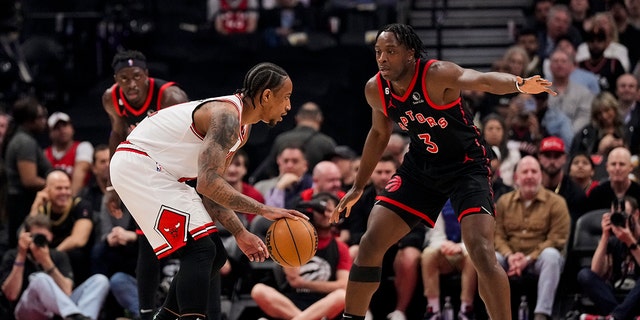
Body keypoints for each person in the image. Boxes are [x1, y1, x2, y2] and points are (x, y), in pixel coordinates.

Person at [329, 23, 556, 320]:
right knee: (371, 242)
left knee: (481, 252)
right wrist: (358, 186)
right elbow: (378, 134)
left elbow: (482, 80)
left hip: (466, 166)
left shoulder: (436, 74)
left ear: (410, 54)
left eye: (391, 52)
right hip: (421, 167)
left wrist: (518, 83)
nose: (382, 59)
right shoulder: (376, 89)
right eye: (378, 52)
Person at [109, 62, 308, 320]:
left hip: (161, 173)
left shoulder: (242, 129)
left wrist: (240, 232)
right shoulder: (226, 117)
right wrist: (264, 209)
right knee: (201, 250)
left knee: (215, 255)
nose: (289, 107)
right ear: (267, 95)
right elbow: (207, 184)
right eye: (286, 98)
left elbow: (212, 190)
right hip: (139, 166)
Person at [101, 49, 189, 320]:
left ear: (146, 76)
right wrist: (113, 185)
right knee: (146, 244)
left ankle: (198, 311)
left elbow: (189, 142)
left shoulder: (170, 97)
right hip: (146, 174)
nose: (130, 84)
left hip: (181, 171)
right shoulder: (111, 98)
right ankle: (146, 312)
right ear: (116, 79)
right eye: (124, 78)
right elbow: (117, 134)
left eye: (136, 76)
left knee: (193, 246)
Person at [251, 192, 351, 320]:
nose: (326, 215)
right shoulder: (294, 236)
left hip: (323, 304)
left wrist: (303, 283)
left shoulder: (340, 247)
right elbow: (293, 280)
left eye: (331, 211)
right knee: (259, 290)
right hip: (291, 302)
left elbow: (343, 285)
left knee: (342, 295)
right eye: (321, 210)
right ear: (312, 211)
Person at [494, 156, 571, 320]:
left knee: (551, 256)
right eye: (525, 172)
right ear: (516, 178)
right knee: (492, 258)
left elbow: (557, 239)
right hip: (511, 258)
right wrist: (510, 256)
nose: (529, 176)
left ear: (541, 176)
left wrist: (528, 259)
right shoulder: (503, 202)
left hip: (538, 260)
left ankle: (541, 314)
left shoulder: (557, 203)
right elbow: (497, 236)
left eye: (534, 171)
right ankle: (495, 314)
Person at [0, 214, 109, 320]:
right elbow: (11, 295)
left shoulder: (59, 255)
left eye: (43, 237)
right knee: (39, 278)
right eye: (35, 237)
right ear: (27, 236)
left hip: (58, 313)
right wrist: (21, 255)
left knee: (100, 280)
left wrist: (46, 261)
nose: (39, 241)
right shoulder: (14, 255)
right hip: (27, 311)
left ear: (51, 237)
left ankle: (78, 316)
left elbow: (67, 291)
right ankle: (74, 315)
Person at [577, 195, 640, 319]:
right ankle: (619, 316)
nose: (620, 219)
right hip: (613, 296)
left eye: (624, 215)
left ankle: (615, 317)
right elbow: (595, 272)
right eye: (615, 215)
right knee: (584, 275)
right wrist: (605, 237)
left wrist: (630, 242)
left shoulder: (631, 239)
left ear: (636, 214)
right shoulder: (613, 240)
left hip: (637, 297)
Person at [28, 170, 94, 284]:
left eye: (67, 188)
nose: (64, 192)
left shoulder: (80, 205)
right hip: (45, 256)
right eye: (59, 188)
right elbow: (26, 236)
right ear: (47, 190)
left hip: (71, 259)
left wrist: (52, 256)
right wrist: (35, 206)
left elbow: (79, 240)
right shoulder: (42, 207)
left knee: (76, 255)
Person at [4, 96, 52, 248]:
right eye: (40, 117)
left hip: (19, 200)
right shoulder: (25, 142)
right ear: (29, 120)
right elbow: (29, 180)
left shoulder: (22, 138)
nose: (44, 121)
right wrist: (54, 184)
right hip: (22, 203)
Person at [250, 101, 337, 183]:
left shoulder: (281, 139)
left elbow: (271, 171)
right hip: (315, 195)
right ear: (320, 119)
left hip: (284, 192)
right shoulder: (327, 143)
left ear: (297, 118)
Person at [421, 200, 478, 320]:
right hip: (445, 250)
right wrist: (445, 245)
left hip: (466, 251)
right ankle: (433, 310)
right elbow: (435, 236)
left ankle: (466, 310)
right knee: (428, 254)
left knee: (474, 257)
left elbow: (477, 237)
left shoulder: (473, 196)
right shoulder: (436, 197)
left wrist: (461, 247)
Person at [44, 112, 94, 196]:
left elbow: (81, 173)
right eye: (57, 128)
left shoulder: (83, 147)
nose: (62, 130)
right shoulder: (45, 154)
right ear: (50, 133)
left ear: (72, 128)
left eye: (65, 125)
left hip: (79, 197)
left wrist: (69, 202)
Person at [586, 146, 640, 211]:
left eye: (622, 164)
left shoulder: (638, 192)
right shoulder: (596, 194)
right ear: (607, 167)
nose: (617, 168)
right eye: (613, 164)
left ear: (631, 167)